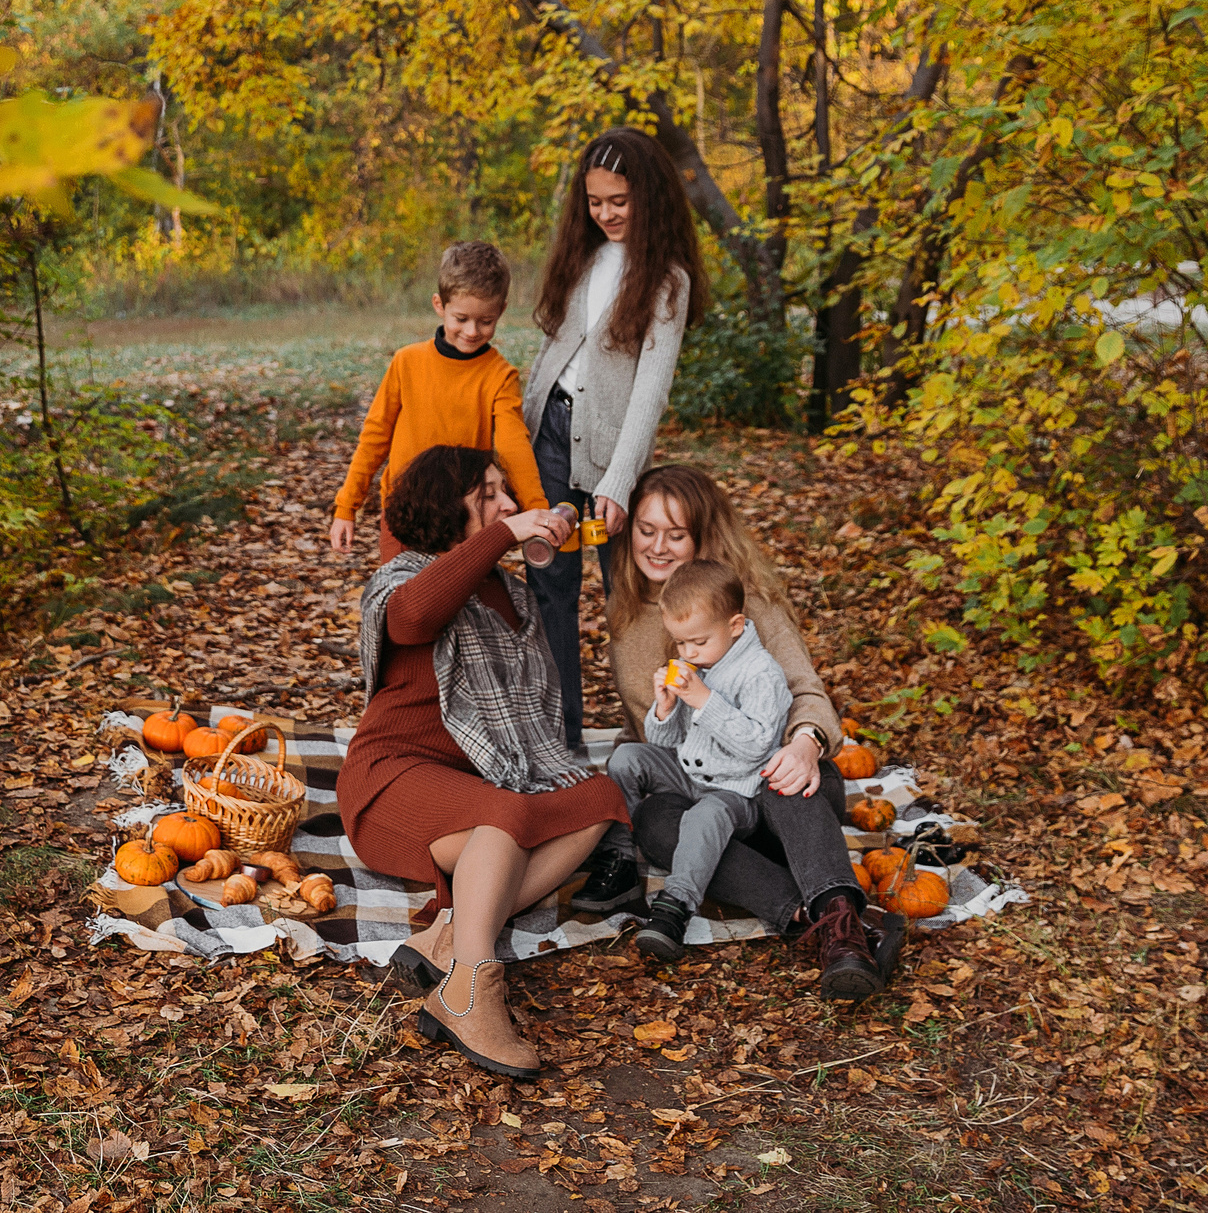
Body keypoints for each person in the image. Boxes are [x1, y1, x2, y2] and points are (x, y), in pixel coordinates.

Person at [339, 444, 628, 1080]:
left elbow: (524, 716)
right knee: (507, 816)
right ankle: (470, 987)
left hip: (469, 788)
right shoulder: (404, 576)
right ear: (451, 505)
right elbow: (413, 620)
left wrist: (505, 542)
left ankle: (449, 933)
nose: (507, 504)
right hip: (390, 783)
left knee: (600, 798)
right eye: (488, 494)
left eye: (505, 493)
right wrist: (503, 533)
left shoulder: (511, 593)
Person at [591, 464, 904, 1000]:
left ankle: (841, 929)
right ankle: (825, 921)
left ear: (701, 536)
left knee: (784, 779)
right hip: (709, 798)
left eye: (676, 533)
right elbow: (647, 735)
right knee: (657, 822)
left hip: (782, 795)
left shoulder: (745, 605)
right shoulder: (627, 614)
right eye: (647, 530)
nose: (658, 547)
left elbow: (808, 692)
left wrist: (806, 742)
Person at [522, 128, 707, 748]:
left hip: (610, 456)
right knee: (550, 589)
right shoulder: (582, 257)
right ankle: (560, 739)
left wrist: (620, 481)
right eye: (596, 200)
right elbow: (553, 354)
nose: (606, 213)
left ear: (649, 197)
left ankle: (655, 737)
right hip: (549, 436)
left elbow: (649, 394)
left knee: (629, 601)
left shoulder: (666, 281)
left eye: (619, 201)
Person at [605, 560, 791, 963]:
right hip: (690, 772)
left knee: (705, 816)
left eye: (698, 642)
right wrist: (666, 709)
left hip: (736, 790)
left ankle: (676, 906)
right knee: (627, 757)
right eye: (680, 643)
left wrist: (704, 700)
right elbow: (669, 741)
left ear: (736, 625)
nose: (689, 653)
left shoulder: (761, 673)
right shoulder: (703, 663)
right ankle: (619, 854)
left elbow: (756, 745)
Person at [331, 241, 548, 556]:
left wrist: (536, 509)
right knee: (406, 598)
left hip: (468, 521)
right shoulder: (407, 363)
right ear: (439, 305)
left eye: (485, 321)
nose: (472, 331)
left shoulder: (500, 376)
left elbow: (514, 446)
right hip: (406, 514)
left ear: (501, 310)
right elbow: (375, 437)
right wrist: (346, 506)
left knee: (462, 600)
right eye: (461, 319)